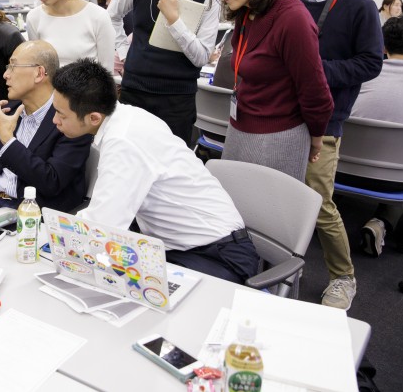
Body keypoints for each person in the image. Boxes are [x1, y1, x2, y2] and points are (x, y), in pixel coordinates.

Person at [50, 58, 259, 284]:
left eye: (62, 115)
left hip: (216, 254)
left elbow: (102, 225)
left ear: (93, 118)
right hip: (175, 246)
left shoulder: (124, 142)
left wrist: (53, 239)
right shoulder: (127, 116)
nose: (55, 120)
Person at [283, 0, 383, 310]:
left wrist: (317, 69)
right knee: (276, 198)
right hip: (280, 118)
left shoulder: (357, 5)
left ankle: (344, 277)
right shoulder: (288, 2)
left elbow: (371, 62)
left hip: (324, 124)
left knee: (318, 203)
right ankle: (284, 265)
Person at [205, 0, 333, 181]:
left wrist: (316, 136)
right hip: (240, 126)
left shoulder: (292, 18)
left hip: (278, 136)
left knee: (268, 215)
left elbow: (315, 90)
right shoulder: (247, 11)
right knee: (233, 211)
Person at [107, 0, 221, 145]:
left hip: (177, 100)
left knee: (171, 171)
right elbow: (111, 17)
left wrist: (174, 20)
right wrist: (124, 51)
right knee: (128, 157)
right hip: (134, 91)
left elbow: (201, 56)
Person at [0, 41, 91, 211]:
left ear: (39, 73)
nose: (5, 74)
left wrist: (8, 141)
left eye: (13, 66)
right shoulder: (10, 111)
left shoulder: (71, 119)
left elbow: (51, 182)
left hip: (33, 218)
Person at [345, 16, 403, 256]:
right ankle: (381, 222)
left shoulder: (359, 75)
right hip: (396, 183)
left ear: (382, 45)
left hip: (340, 172)